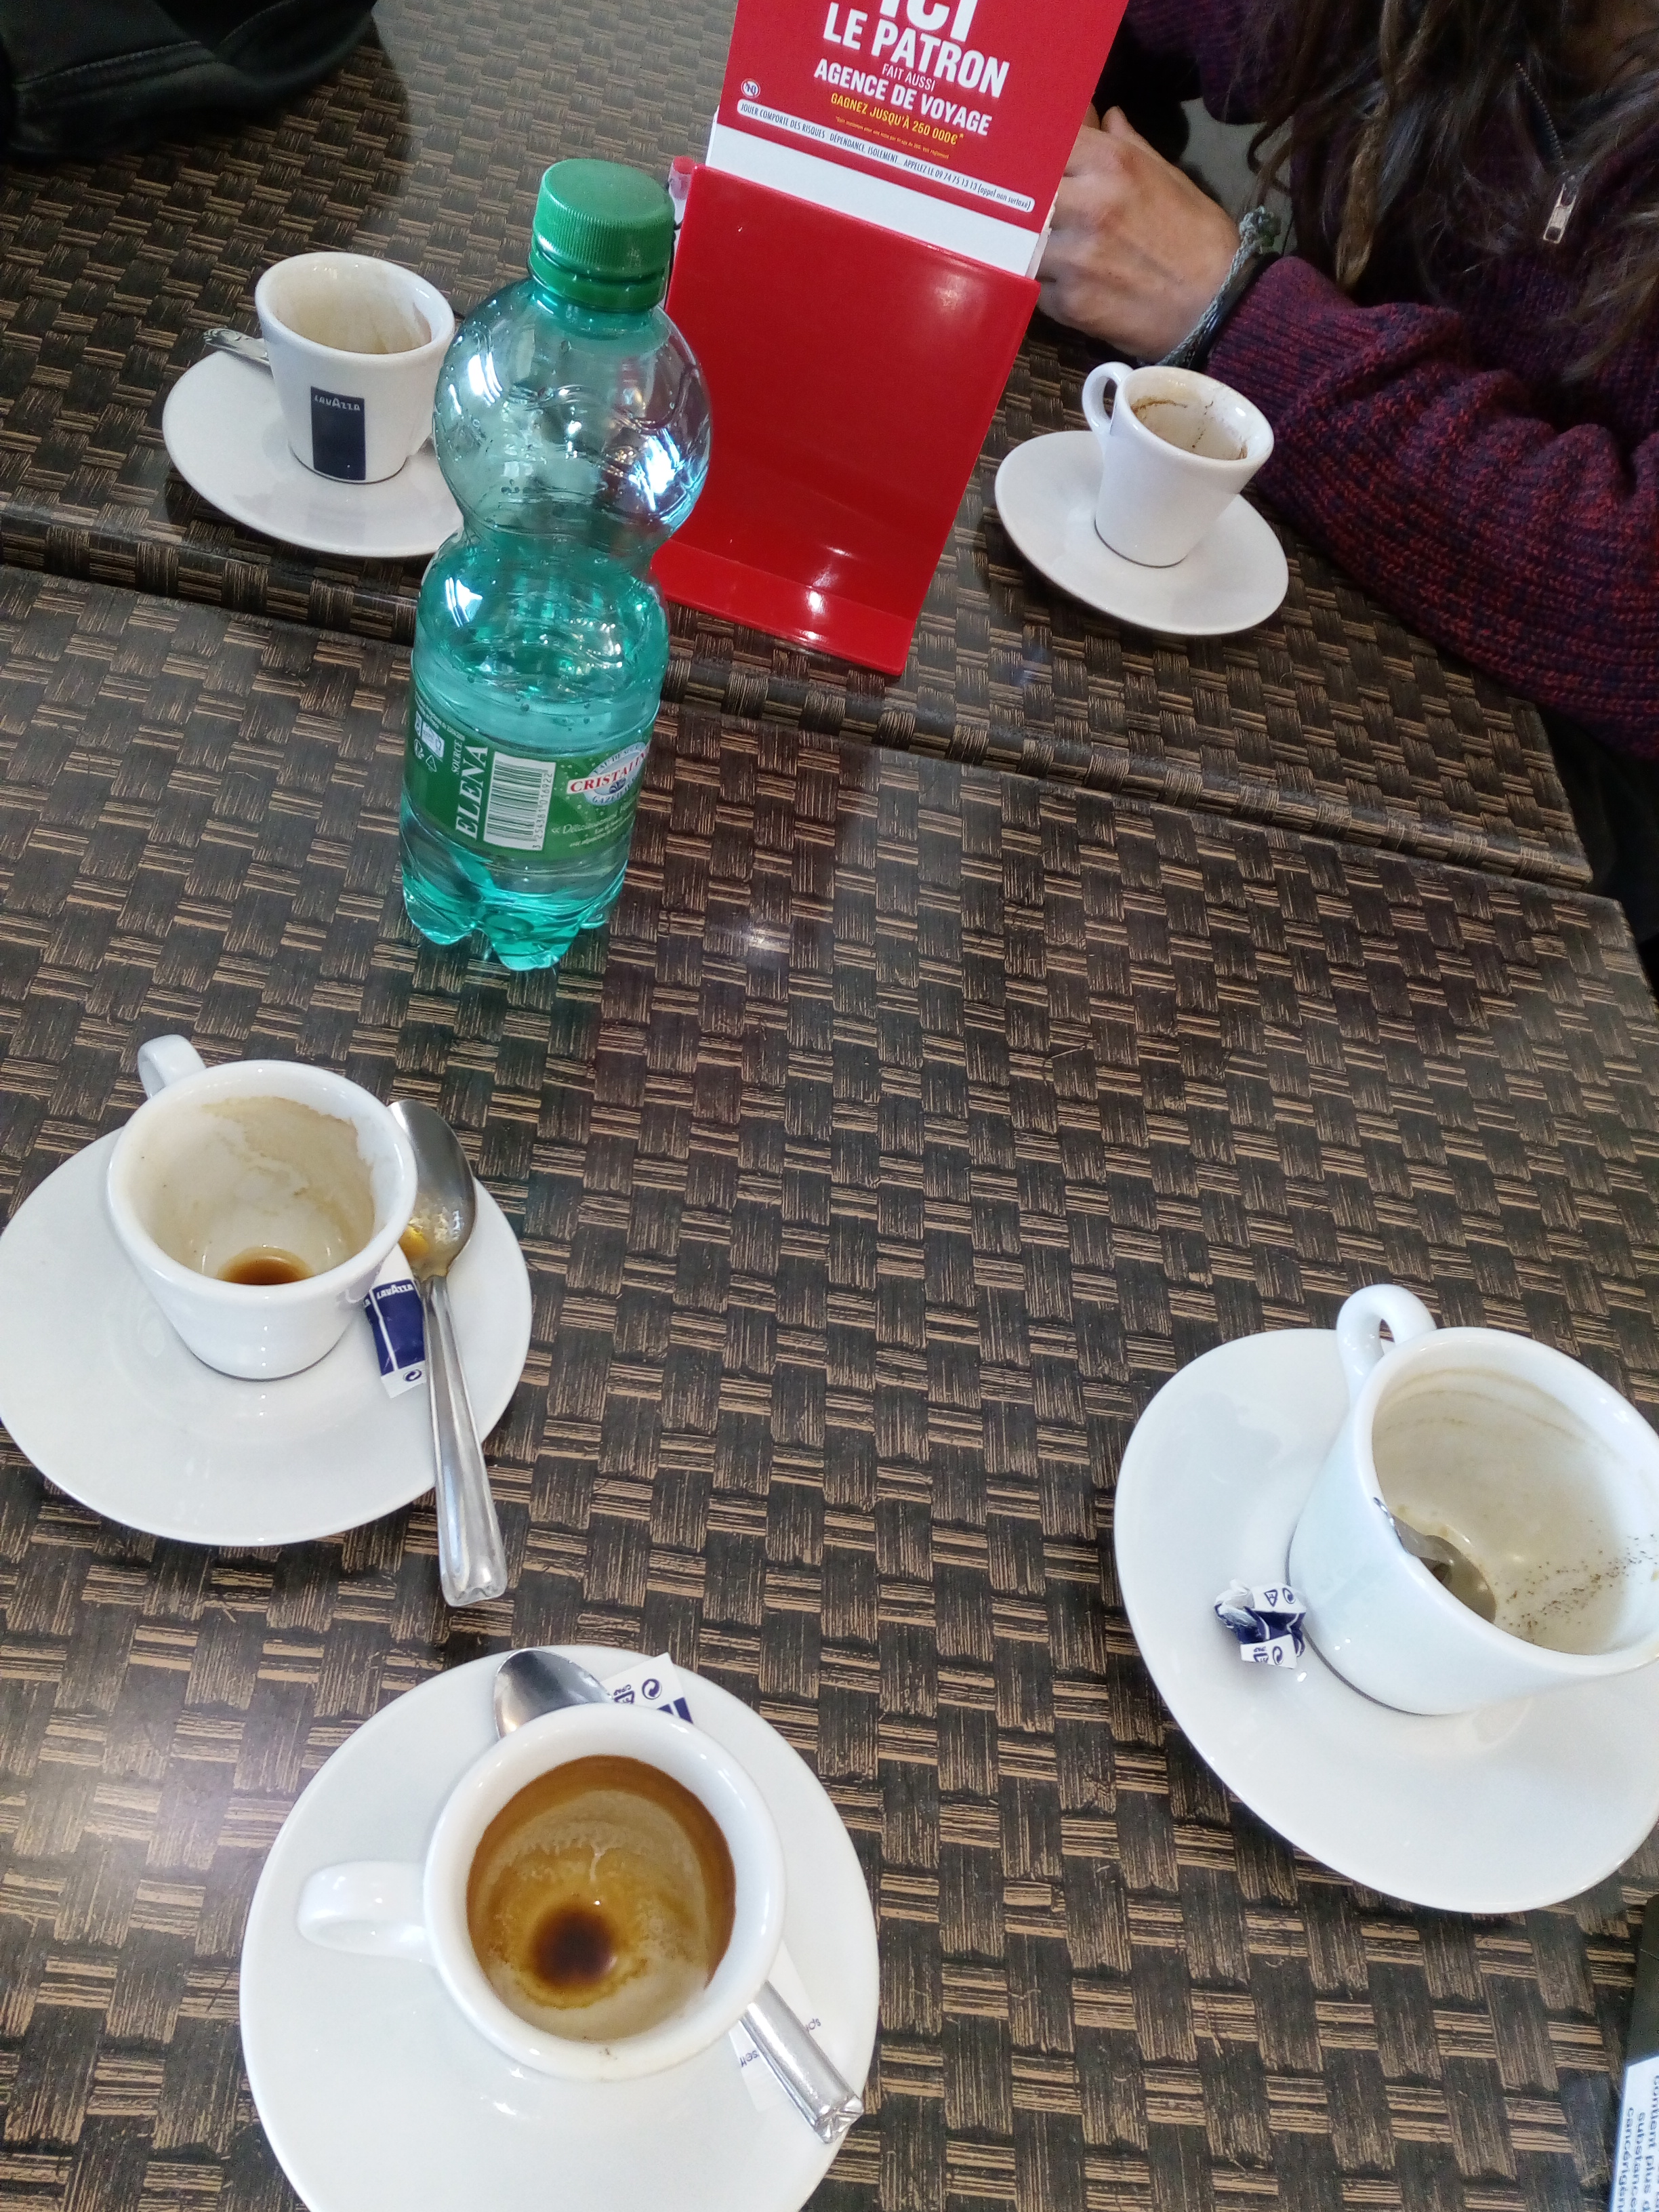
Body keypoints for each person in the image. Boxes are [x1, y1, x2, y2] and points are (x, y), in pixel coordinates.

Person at [1038, 0, 1659, 977]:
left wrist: (1234, 309)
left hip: (1578, 756)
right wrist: (1065, 151)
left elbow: (1633, 612)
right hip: (1316, 516)